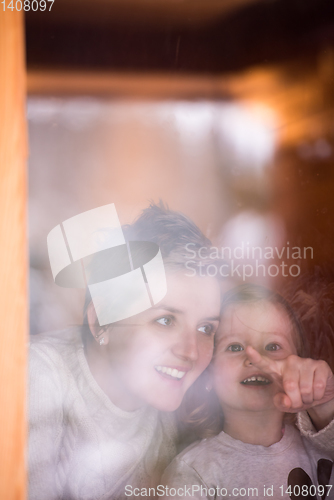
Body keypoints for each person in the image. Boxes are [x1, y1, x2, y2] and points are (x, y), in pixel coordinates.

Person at [28, 203, 222, 500]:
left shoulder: (175, 417)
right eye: (165, 320)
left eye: (206, 328)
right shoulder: (39, 377)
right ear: (101, 322)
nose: (192, 351)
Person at [162, 284, 334, 500]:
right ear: (208, 374)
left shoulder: (324, 449)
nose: (254, 358)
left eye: (272, 346)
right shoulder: (192, 471)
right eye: (234, 347)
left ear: (299, 363)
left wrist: (326, 406)